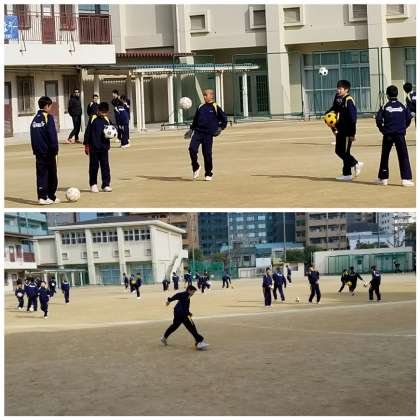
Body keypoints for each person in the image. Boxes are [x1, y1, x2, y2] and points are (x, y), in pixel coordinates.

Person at [374, 85, 414, 187]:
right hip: (400, 134)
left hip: (388, 134)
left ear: (387, 95)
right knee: (403, 155)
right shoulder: (402, 105)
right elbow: (409, 118)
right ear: (397, 94)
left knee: (385, 155)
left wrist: (382, 130)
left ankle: (383, 179)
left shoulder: (385, 106)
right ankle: (406, 179)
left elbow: (378, 119)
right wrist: (403, 127)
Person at [184, 89, 228, 181]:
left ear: (211, 96)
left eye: (205, 95)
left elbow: (224, 119)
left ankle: (208, 173)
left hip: (208, 134)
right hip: (198, 132)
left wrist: (220, 128)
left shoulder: (215, 107)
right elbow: (195, 120)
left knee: (207, 154)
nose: (204, 96)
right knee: (192, 149)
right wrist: (191, 130)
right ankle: (196, 167)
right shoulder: (200, 106)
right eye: (203, 95)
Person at [327, 80, 362, 181]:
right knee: (339, 151)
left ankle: (355, 164)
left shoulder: (348, 100)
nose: (338, 90)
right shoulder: (340, 99)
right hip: (341, 129)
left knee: (344, 152)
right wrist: (327, 114)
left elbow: (353, 119)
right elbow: (335, 108)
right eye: (337, 88)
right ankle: (347, 174)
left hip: (347, 131)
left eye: (340, 89)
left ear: (346, 90)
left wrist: (352, 134)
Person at [30, 96, 59, 205]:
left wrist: (35, 150)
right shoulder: (48, 117)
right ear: (47, 106)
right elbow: (52, 135)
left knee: (41, 174)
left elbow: (33, 136)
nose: (51, 108)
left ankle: (42, 197)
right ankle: (50, 196)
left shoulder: (34, 119)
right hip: (49, 152)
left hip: (38, 152)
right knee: (52, 175)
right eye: (50, 106)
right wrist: (55, 149)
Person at [161, 285, 209, 350]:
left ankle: (164, 338)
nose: (193, 294)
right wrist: (169, 300)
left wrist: (189, 313)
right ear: (189, 290)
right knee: (192, 327)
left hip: (178, 313)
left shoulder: (187, 296)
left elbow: (184, 306)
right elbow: (177, 295)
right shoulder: (185, 294)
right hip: (183, 314)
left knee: (174, 326)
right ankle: (199, 342)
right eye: (193, 292)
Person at [84, 101, 113, 193]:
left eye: (105, 112)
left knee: (105, 166)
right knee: (94, 167)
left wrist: (113, 135)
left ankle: (106, 184)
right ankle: (93, 184)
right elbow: (88, 132)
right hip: (94, 148)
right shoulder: (93, 118)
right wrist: (86, 145)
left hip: (104, 148)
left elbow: (112, 129)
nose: (103, 114)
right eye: (102, 112)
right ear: (98, 110)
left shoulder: (107, 119)